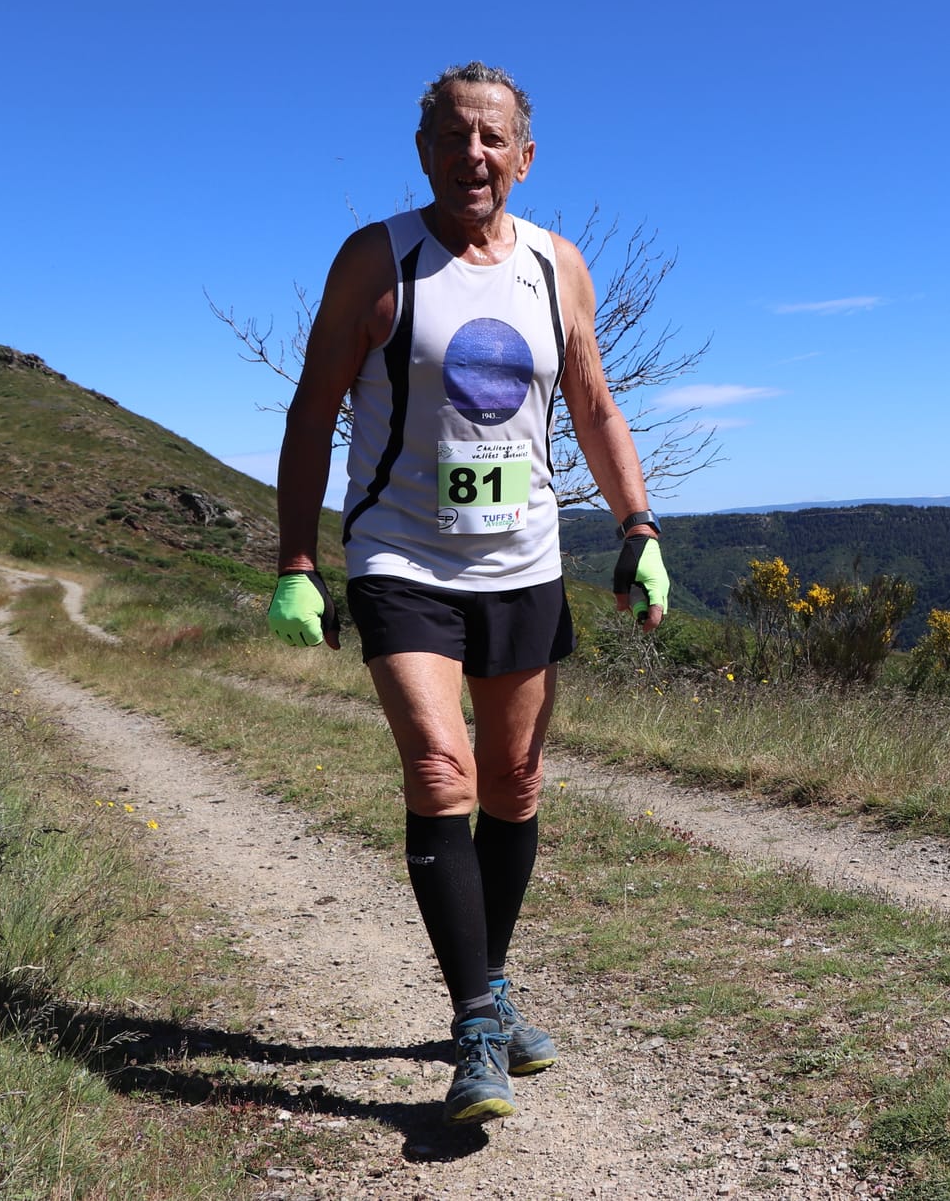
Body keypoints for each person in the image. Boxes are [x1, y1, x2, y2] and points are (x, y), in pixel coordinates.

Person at [267, 61, 670, 1125]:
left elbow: (593, 406)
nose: (472, 156)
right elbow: (312, 411)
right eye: (452, 137)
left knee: (515, 781)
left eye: (492, 139)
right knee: (440, 766)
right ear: (423, 152)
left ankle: (485, 982)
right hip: (402, 558)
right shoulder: (377, 260)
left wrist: (637, 529)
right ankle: (478, 1022)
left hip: (524, 562)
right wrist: (296, 563)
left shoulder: (555, 267)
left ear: (524, 157)